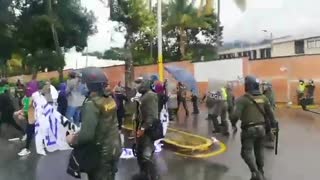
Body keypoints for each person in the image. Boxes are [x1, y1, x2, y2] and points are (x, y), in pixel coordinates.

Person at [66, 67, 121, 180]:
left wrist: (72, 139)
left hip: (100, 153)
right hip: (114, 147)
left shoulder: (91, 104)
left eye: (83, 82)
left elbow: (87, 135)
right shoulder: (109, 99)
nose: (81, 85)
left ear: (90, 85)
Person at [230, 75, 278, 180]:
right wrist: (273, 127)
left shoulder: (242, 100)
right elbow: (271, 114)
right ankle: (261, 171)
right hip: (262, 129)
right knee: (259, 150)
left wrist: (232, 121)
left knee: (245, 152)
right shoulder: (264, 98)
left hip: (248, 130)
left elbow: (235, 116)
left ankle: (255, 173)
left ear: (247, 86)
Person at [133, 77, 159, 180]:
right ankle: (144, 173)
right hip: (142, 128)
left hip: (147, 130)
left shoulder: (150, 96)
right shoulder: (144, 95)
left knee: (145, 155)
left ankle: (151, 176)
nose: (137, 86)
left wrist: (143, 128)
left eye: (139, 83)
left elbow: (151, 115)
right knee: (141, 152)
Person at [16, 82, 38, 156]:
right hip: (31, 118)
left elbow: (26, 108)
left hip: (33, 118)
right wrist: (21, 112)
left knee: (30, 132)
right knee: (32, 131)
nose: (27, 89)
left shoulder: (35, 97)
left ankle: (27, 149)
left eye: (29, 88)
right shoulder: (29, 96)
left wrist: (21, 113)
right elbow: (25, 107)